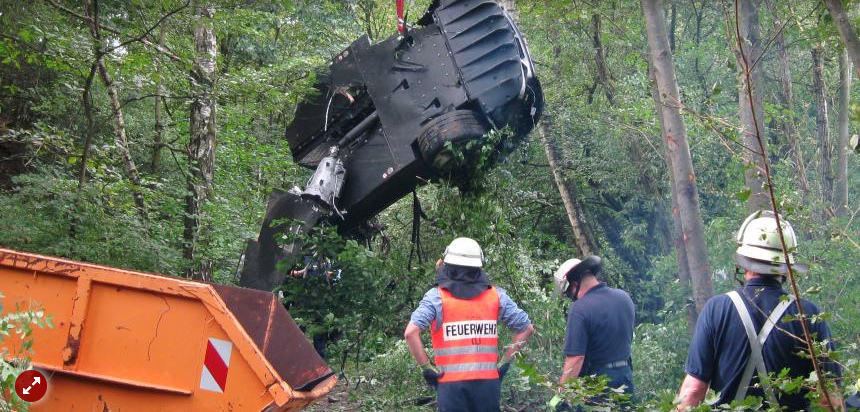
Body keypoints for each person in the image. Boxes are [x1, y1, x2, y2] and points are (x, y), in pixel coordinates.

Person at [675, 211, 842, 411]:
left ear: (744, 261)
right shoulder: (808, 314)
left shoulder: (716, 310)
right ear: (786, 266)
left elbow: (693, 392)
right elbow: (830, 397)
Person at [404, 237, 535, 412]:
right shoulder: (497, 296)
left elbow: (410, 333)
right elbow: (526, 328)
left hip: (450, 387)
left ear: (448, 264)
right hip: (488, 385)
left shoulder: (436, 298)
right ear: (479, 266)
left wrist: (426, 368)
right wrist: (505, 361)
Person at [550, 255, 636, 410]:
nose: (571, 298)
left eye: (569, 293)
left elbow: (576, 358)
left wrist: (561, 393)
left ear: (574, 284)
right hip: (625, 375)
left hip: (597, 383)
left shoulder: (579, 309)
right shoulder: (624, 298)